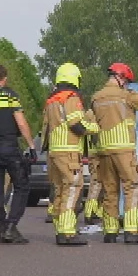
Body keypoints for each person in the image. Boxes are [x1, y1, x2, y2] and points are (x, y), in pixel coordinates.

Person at [90, 62, 138, 244]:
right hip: (123, 149)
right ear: (121, 78)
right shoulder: (127, 96)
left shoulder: (96, 98)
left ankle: (110, 231)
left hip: (103, 150)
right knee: (132, 186)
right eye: (127, 81)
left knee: (110, 189)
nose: (127, 84)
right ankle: (132, 231)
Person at [0, 63, 37, 244]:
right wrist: (31, 145)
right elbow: (21, 123)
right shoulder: (11, 96)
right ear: (4, 79)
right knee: (21, 186)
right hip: (9, 147)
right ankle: (11, 226)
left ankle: (2, 229)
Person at [41, 63, 101, 247]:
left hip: (54, 151)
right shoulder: (71, 97)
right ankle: (67, 232)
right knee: (73, 187)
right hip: (68, 150)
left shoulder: (52, 99)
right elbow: (76, 124)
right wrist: (95, 127)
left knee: (60, 190)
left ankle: (60, 229)